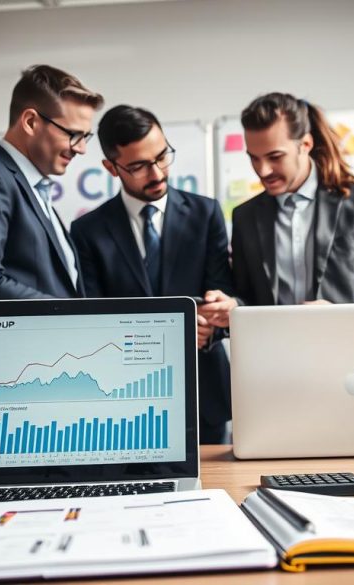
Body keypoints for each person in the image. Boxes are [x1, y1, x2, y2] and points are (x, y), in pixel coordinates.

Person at [71, 105, 234, 444]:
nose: (157, 173)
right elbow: (94, 317)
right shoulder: (87, 231)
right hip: (122, 397)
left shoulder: (206, 214)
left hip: (204, 391)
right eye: (139, 166)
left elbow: (221, 294)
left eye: (162, 156)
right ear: (111, 168)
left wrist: (213, 322)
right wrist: (175, 331)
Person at [200, 92, 354, 327]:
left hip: (347, 352)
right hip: (275, 357)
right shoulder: (245, 216)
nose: (263, 171)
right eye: (254, 158)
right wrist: (233, 307)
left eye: (275, 157)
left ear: (305, 145)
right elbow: (248, 298)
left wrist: (347, 318)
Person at [0, 65, 104, 300]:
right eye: (73, 134)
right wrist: (70, 315)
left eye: (86, 137)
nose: (81, 148)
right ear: (30, 122)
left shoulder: (34, 189)